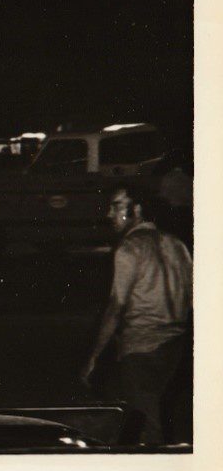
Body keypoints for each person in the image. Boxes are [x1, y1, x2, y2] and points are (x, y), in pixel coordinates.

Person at [79, 183, 192, 444]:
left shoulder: (130, 248)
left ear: (137, 209)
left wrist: (94, 357)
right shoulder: (177, 245)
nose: (110, 214)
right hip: (174, 348)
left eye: (117, 206)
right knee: (148, 412)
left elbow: (116, 307)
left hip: (141, 348)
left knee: (146, 423)